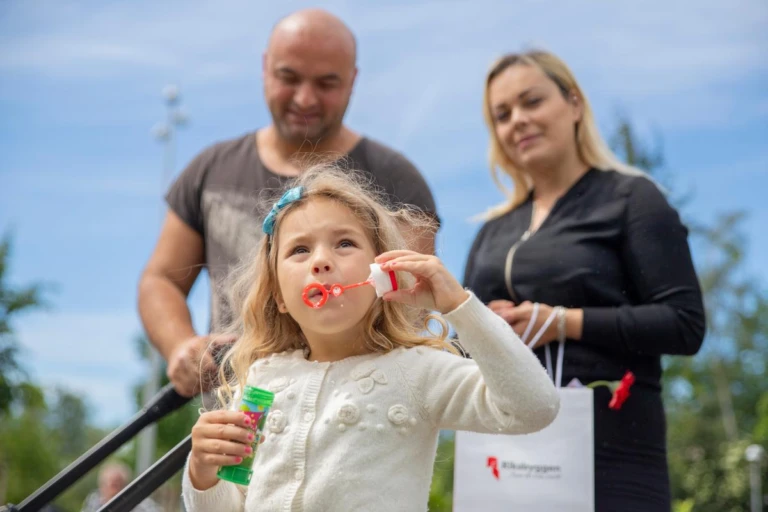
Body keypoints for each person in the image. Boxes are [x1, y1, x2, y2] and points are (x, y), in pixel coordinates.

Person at [180, 165, 559, 511]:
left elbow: (534, 407)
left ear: (382, 274)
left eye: (344, 243)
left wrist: (459, 306)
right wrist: (202, 472)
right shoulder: (264, 378)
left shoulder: (417, 372)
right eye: (299, 249)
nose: (321, 260)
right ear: (278, 295)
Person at [137, 8, 439, 398]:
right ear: (266, 68)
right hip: (238, 416)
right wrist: (180, 345)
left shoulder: (397, 179)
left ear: (353, 81)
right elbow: (160, 280)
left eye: (327, 83)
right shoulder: (211, 170)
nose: (305, 98)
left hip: (356, 418)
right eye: (289, 77)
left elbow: (412, 308)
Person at [462, 49, 706, 510]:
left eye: (532, 102)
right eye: (502, 114)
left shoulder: (632, 199)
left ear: (573, 104)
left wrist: (562, 322)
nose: (518, 120)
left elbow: (684, 324)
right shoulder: (493, 229)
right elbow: (463, 342)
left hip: (613, 457)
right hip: (506, 458)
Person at [81, 462, 161, 512]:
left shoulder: (139, 502)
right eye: (104, 484)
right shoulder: (94, 499)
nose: (107, 488)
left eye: (115, 485)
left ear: (125, 486)